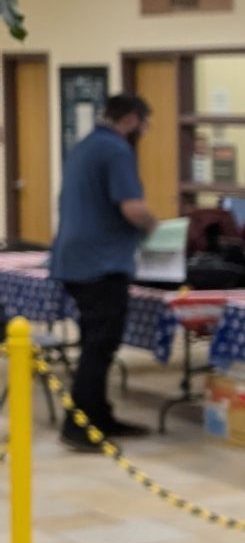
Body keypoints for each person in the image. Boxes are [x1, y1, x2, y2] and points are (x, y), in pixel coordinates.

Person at [49, 92, 154, 450]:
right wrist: (155, 226)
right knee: (98, 347)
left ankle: (100, 417)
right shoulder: (116, 150)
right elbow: (132, 208)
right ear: (131, 119)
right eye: (144, 124)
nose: (144, 131)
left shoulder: (85, 146)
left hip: (75, 260)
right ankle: (77, 427)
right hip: (100, 263)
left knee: (97, 343)